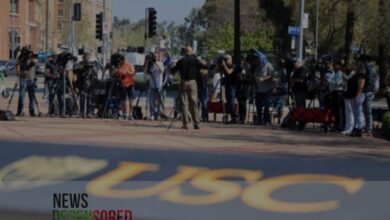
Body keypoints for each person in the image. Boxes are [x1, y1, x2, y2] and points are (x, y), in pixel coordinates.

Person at [171, 46, 208, 130]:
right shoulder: (195, 60)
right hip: (192, 82)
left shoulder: (181, 61)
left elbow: (173, 71)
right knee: (194, 102)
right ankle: (196, 123)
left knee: (184, 103)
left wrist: (173, 66)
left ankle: (185, 124)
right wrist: (198, 71)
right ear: (191, 52)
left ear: (184, 52)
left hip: (184, 81)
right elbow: (206, 67)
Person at [345, 61, 366, 137]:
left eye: (356, 66)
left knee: (358, 112)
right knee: (356, 112)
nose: (355, 67)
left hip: (358, 96)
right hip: (355, 95)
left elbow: (360, 87)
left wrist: (357, 95)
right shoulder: (356, 74)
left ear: (359, 67)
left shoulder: (361, 75)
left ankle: (359, 129)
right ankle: (357, 128)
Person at [16, 46, 38, 117]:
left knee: (32, 97)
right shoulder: (20, 60)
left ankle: (32, 111)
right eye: (28, 52)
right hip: (23, 79)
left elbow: (35, 62)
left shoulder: (33, 58)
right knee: (21, 96)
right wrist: (22, 72)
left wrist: (31, 57)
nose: (29, 53)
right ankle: (19, 111)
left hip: (31, 80)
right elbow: (17, 72)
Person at [254, 52, 275, 125]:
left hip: (267, 89)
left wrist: (264, 78)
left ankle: (265, 120)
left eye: (257, 58)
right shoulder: (256, 66)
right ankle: (259, 119)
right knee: (258, 104)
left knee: (266, 104)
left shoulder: (268, 65)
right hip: (258, 89)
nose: (256, 60)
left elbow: (272, 75)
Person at [361, 55, 379, 137]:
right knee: (366, 110)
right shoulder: (372, 68)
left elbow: (368, 81)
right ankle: (368, 128)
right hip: (370, 91)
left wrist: (364, 90)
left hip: (368, 91)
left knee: (367, 110)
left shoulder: (369, 68)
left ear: (366, 60)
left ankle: (369, 129)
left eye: (363, 61)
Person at [113, 54, 135, 120]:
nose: (119, 62)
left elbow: (133, 73)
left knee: (131, 100)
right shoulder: (119, 65)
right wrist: (116, 72)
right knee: (123, 100)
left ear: (123, 60)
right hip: (122, 85)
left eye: (120, 61)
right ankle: (124, 114)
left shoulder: (129, 65)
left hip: (129, 85)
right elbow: (115, 74)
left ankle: (130, 114)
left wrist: (126, 72)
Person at [144, 52, 164, 120]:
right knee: (151, 100)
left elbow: (162, 71)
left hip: (159, 85)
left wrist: (156, 63)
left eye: (156, 56)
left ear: (158, 57)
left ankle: (158, 114)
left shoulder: (160, 63)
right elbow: (145, 72)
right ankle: (152, 114)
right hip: (152, 85)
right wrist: (147, 62)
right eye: (154, 56)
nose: (154, 57)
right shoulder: (150, 64)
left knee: (159, 100)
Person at [328, 60, 346, 131]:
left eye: (335, 65)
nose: (334, 67)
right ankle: (336, 124)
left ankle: (340, 125)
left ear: (339, 66)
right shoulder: (334, 73)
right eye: (333, 65)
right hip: (334, 92)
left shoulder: (340, 73)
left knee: (339, 110)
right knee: (335, 109)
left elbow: (338, 83)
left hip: (339, 92)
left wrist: (330, 81)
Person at [218, 55, 237, 124]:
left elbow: (229, 72)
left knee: (231, 102)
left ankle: (234, 117)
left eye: (227, 59)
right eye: (225, 60)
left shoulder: (233, 66)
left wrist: (224, 66)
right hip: (227, 85)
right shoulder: (223, 66)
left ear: (230, 59)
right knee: (228, 102)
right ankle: (230, 117)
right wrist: (220, 65)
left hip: (232, 86)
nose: (225, 61)